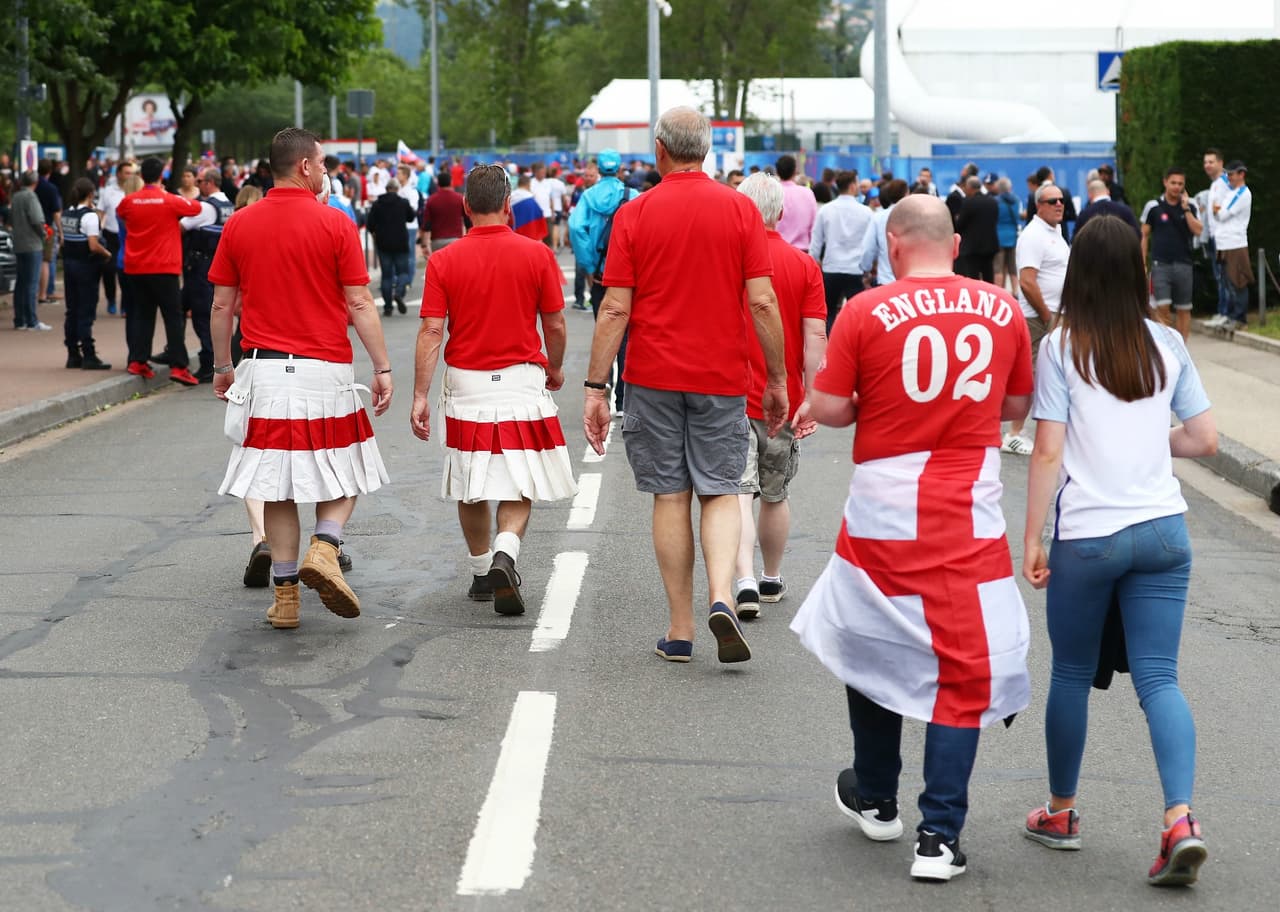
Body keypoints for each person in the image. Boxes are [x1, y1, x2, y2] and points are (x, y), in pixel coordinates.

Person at [791, 194, 1033, 884]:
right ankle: (939, 835)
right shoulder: (1000, 307)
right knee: (961, 668)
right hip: (968, 513)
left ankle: (875, 794)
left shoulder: (865, 310)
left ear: (893, 244)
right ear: (954, 246)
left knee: (872, 641)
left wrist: (872, 397)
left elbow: (831, 408)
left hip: (884, 515)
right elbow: (1016, 404)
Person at [1020, 215, 1217, 886]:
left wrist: (1032, 536)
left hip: (1091, 534)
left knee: (1072, 674)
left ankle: (1061, 812)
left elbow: (1047, 449)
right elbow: (1205, 438)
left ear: (1075, 274)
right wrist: (1145, 445)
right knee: (1160, 678)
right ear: (1137, 272)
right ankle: (1180, 820)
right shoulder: (1166, 342)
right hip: (1164, 530)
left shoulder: (1060, 347)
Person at [583, 106, 788, 666]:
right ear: (707, 149)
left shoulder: (636, 214)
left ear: (659, 150)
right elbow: (764, 300)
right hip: (722, 375)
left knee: (670, 495)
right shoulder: (741, 211)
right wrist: (777, 378)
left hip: (652, 376)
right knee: (721, 489)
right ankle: (724, 594)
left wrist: (595, 388)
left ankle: (681, 628)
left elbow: (614, 309)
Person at [209, 127, 393, 631]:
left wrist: (223, 366)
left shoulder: (240, 224)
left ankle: (286, 599)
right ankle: (326, 546)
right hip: (324, 369)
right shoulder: (335, 224)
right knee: (348, 469)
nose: (327, 171)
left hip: (265, 369)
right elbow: (358, 303)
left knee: (277, 488)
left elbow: (223, 304)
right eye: (324, 163)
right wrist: (381, 367)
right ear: (306, 167)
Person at [410, 164, 577, 614]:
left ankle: (483, 570)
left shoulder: (444, 261)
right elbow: (556, 323)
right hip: (521, 376)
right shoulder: (537, 254)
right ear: (508, 206)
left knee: (471, 481)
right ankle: (507, 550)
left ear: (466, 207)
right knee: (518, 478)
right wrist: (555, 367)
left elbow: (431, 331)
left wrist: (421, 394)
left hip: (466, 382)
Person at [732, 173, 827, 618]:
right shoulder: (804, 265)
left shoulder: (725, 262)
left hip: (731, 392)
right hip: (785, 396)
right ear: (782, 212)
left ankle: (743, 579)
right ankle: (770, 576)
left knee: (734, 492)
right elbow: (815, 335)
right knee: (774, 493)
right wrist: (811, 394)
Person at [116, 156, 204, 385]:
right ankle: (178, 365)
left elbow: (121, 212)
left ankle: (138, 360)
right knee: (173, 316)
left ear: (141, 176)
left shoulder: (130, 201)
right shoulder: (169, 200)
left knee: (143, 315)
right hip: (164, 268)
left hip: (136, 268)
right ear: (161, 176)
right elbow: (196, 208)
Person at [568, 147, 639, 414]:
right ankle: (623, 397)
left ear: (598, 169)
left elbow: (576, 227)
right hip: (628, 275)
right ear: (620, 169)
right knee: (627, 335)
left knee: (604, 328)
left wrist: (589, 263)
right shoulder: (633, 196)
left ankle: (603, 385)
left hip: (599, 274)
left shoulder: (588, 196)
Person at [1004, 182, 1069, 456]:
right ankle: (1014, 433)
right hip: (1038, 316)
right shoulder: (1033, 235)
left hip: (1057, 312)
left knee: (1056, 373)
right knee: (1030, 375)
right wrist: (1047, 316)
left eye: (1061, 200)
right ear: (1038, 206)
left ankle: (1053, 430)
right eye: (1052, 200)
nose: (1058, 204)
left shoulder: (1055, 231)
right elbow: (1028, 282)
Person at [178, 167, 235, 382]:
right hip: (218, 262)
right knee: (186, 307)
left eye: (200, 180)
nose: (197, 184)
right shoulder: (228, 205)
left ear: (209, 183)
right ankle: (178, 353)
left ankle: (207, 361)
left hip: (200, 265)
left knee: (201, 313)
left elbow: (181, 227)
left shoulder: (206, 207)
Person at [1140, 168, 1203, 341]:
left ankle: (1182, 346)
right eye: (1173, 183)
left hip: (1184, 263)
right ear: (1165, 182)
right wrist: (1142, 262)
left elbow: (1198, 230)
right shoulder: (1153, 207)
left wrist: (1186, 210)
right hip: (1161, 265)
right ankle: (1167, 345)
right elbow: (1144, 235)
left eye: (1180, 184)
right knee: (1162, 307)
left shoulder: (1190, 205)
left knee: (1184, 308)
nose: (1176, 187)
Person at [810, 170, 872, 332]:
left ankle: (829, 349)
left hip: (831, 267)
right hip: (855, 269)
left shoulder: (825, 210)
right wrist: (868, 268)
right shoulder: (866, 212)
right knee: (858, 315)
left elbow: (816, 242)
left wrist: (814, 263)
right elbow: (869, 244)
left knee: (828, 312)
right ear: (852, 186)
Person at [59, 177, 112, 369]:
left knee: (72, 309)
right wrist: (107, 254)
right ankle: (89, 354)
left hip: (69, 265)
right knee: (86, 310)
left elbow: (64, 241)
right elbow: (93, 244)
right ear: (90, 194)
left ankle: (72, 353)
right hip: (86, 267)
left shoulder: (66, 214)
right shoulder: (90, 216)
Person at [1207, 161, 1252, 331]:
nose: (1229, 177)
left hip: (1235, 243)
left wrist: (1218, 211)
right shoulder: (1231, 193)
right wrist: (1217, 211)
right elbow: (1217, 211)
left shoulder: (1243, 193)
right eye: (1228, 174)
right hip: (1224, 242)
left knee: (1238, 281)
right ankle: (1231, 315)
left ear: (1241, 174)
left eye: (1232, 174)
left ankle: (1240, 318)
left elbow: (1223, 214)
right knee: (1227, 281)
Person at [366, 178, 417, 316]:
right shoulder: (403, 203)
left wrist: (376, 234)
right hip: (400, 242)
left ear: (386, 189)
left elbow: (370, 224)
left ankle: (388, 307)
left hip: (383, 243)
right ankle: (399, 292)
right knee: (403, 272)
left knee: (386, 275)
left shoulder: (377, 204)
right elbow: (411, 218)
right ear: (397, 189)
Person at [10, 170, 51, 331]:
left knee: (21, 283)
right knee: (31, 283)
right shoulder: (31, 197)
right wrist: (44, 233)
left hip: (19, 243)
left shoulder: (16, 196)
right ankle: (32, 320)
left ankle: (19, 319)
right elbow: (36, 219)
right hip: (32, 244)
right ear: (36, 182)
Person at [1199, 149, 1233, 327]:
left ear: (1220, 162)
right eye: (1205, 162)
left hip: (1224, 237)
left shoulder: (1227, 181)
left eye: (1211, 162)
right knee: (1219, 275)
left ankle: (1227, 312)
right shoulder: (1214, 185)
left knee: (1225, 275)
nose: (1207, 165)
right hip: (1214, 236)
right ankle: (1222, 311)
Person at [99, 160, 134, 315]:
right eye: (126, 172)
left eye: (131, 173)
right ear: (118, 174)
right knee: (108, 269)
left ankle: (125, 304)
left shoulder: (134, 191)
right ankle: (111, 298)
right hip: (110, 234)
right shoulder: (108, 191)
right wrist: (98, 229)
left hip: (128, 235)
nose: (129, 176)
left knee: (125, 271)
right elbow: (101, 211)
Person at [859, 179, 909, 287]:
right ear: (906, 194)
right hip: (909, 281)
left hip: (885, 280)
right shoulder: (915, 217)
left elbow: (868, 248)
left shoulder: (878, 217)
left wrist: (866, 269)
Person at [954, 175, 999, 283]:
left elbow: (959, 225)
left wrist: (957, 219)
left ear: (969, 188)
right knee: (988, 275)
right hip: (990, 245)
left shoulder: (969, 203)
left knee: (972, 277)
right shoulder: (992, 201)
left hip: (972, 247)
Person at [776, 155, 818, 251]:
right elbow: (814, 226)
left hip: (777, 251)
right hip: (802, 252)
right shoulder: (807, 193)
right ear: (795, 171)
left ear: (777, 172)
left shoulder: (772, 193)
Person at [35, 159, 62, 306]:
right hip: (47, 227)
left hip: (31, 227)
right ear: (50, 171)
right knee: (47, 259)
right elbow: (56, 212)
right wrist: (60, 231)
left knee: (35, 259)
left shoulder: (32, 186)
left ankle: (36, 290)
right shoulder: (51, 188)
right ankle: (46, 292)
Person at [421, 167, 466, 255]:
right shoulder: (459, 198)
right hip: (456, 240)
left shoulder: (431, 200)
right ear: (451, 182)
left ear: (438, 183)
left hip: (437, 241)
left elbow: (426, 225)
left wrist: (424, 245)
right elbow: (468, 222)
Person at [993, 177, 1021, 292]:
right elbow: (1017, 216)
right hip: (1012, 236)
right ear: (1010, 188)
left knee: (998, 267)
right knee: (1012, 267)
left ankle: (999, 291)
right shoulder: (1016, 200)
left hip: (999, 236)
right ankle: (1015, 291)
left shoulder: (995, 201)